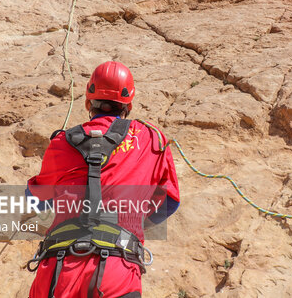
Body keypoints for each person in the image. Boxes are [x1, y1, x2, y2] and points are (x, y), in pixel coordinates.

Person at [27, 61, 180, 298]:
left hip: (58, 272)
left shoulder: (62, 142)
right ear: (128, 105)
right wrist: (134, 223)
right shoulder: (151, 139)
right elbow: (169, 202)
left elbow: (37, 201)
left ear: (89, 102)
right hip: (117, 272)